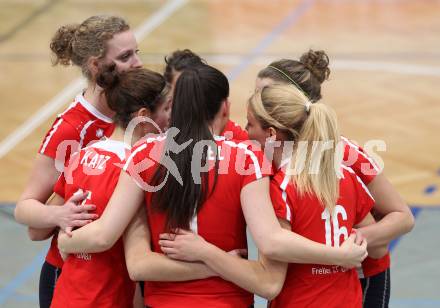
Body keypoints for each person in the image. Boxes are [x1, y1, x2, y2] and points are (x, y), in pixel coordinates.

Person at [55, 63, 368, 308]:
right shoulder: (246, 158)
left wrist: (67, 242)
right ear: (225, 108)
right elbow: (269, 267)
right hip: (227, 300)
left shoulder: (143, 155)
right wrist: (220, 262)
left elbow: (119, 251)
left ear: (175, 107)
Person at [255, 50, 414, 307]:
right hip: (306, 280)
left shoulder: (344, 154)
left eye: (264, 94)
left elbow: (403, 218)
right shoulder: (265, 148)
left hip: (360, 276)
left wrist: (345, 242)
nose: (257, 101)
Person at [14, 15, 143, 308]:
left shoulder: (138, 109)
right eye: (125, 56)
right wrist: (59, 216)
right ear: (96, 65)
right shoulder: (73, 129)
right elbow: (26, 211)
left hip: (124, 273)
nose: (137, 62)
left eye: (137, 52)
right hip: (76, 277)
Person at [28, 65, 170, 307]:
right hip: (105, 298)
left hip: (67, 295)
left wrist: (66, 235)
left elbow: (38, 229)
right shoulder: (139, 168)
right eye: (167, 108)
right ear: (143, 116)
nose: (172, 116)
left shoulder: (81, 156)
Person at [164, 49, 249, 140]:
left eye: (195, 86)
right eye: (182, 88)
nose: (189, 93)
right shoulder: (159, 126)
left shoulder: (234, 134)